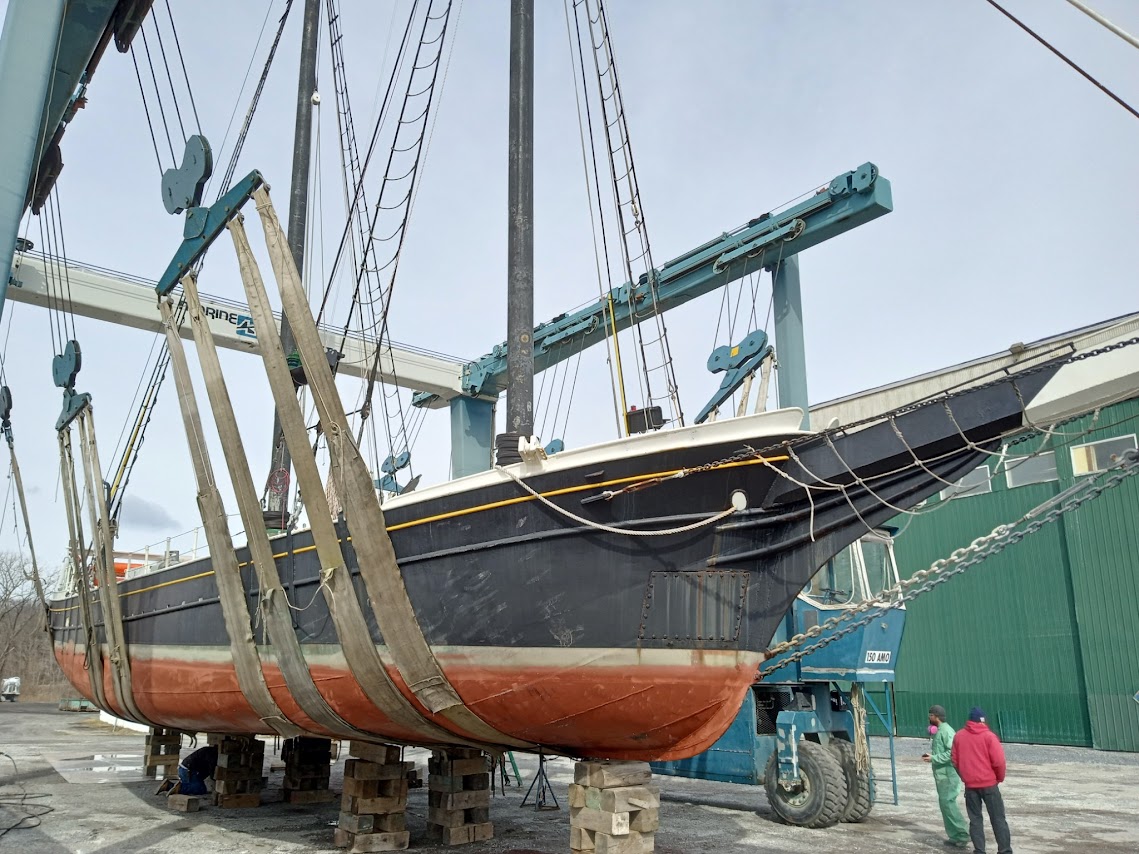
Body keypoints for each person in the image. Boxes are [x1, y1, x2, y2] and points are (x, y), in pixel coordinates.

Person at [951, 707, 1012, 854]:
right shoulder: (989, 736)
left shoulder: (959, 736)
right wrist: (999, 778)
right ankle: (1004, 850)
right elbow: (999, 762)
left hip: (971, 786)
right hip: (990, 785)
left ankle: (979, 850)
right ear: (983, 721)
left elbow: (954, 760)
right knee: (998, 819)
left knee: (975, 819)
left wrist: (965, 777)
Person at [923, 704, 969, 848]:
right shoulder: (939, 731)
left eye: (930, 715)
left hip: (948, 775)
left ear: (935, 717)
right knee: (945, 805)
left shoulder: (946, 731)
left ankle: (963, 834)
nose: (929, 718)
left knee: (949, 804)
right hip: (942, 776)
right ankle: (955, 836)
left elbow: (952, 753)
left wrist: (934, 758)